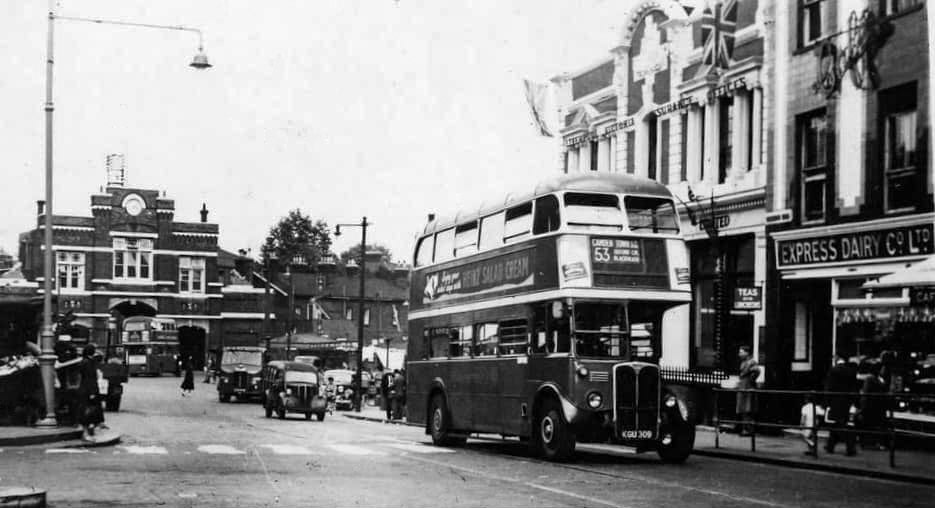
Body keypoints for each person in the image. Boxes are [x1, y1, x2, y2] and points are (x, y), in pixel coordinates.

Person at [824, 355, 859, 455]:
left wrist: (826, 403)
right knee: (840, 423)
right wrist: (855, 402)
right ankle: (831, 446)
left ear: (836, 359)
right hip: (847, 402)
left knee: (838, 424)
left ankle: (849, 448)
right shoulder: (851, 371)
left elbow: (829, 388)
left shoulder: (833, 370)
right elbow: (854, 387)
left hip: (835, 401)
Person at [859, 362, 889, 450]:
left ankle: (871, 443)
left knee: (873, 426)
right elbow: (867, 393)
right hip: (872, 406)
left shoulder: (877, 379)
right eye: (882, 368)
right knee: (871, 425)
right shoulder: (871, 379)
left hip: (875, 406)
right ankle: (869, 444)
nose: (883, 370)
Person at [78, 344, 105, 439]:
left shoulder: (84, 361)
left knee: (88, 411)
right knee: (89, 411)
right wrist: (92, 392)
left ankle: (90, 431)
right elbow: (90, 378)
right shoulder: (88, 363)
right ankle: (87, 432)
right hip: (89, 389)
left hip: (84, 388)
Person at [736, 346, 759, 436]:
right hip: (743, 387)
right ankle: (745, 428)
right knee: (744, 409)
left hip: (747, 387)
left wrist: (750, 380)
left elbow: (757, 371)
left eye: (741, 352)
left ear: (747, 353)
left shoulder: (751, 362)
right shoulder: (744, 362)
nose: (739, 354)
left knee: (748, 408)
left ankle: (749, 429)